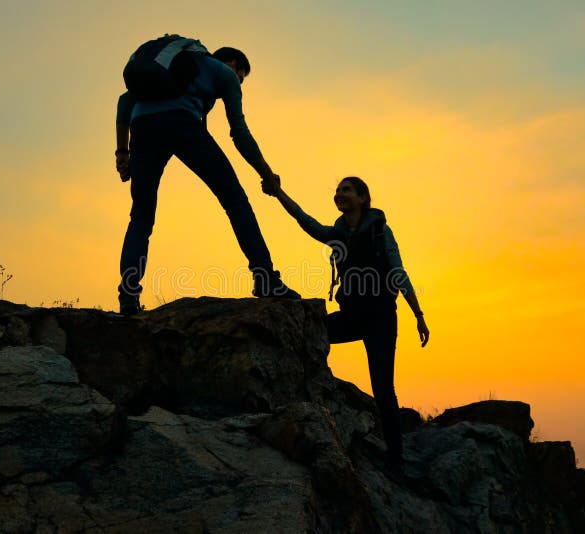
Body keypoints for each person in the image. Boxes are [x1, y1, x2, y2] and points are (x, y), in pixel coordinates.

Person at [115, 44, 299, 315]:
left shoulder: (172, 70)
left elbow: (125, 101)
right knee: (235, 200)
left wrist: (122, 152)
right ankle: (266, 279)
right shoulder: (222, 73)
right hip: (181, 123)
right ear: (232, 64)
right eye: (241, 76)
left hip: (143, 127)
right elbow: (240, 134)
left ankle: (128, 294)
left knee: (141, 215)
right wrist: (266, 174)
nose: (239, 83)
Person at [266, 176, 429, 468]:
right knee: (309, 336)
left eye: (347, 190)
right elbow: (306, 222)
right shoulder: (337, 234)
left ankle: (396, 459)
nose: (340, 194)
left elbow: (398, 271)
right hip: (352, 317)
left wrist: (418, 314)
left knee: (382, 389)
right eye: (338, 190)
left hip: (380, 318)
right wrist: (279, 193)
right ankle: (305, 403)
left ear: (363, 198)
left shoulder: (380, 231)